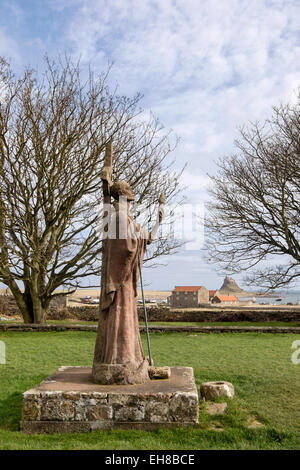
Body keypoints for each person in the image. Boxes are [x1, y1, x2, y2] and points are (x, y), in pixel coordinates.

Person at [92, 177, 164, 385]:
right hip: (121, 281)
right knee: (121, 316)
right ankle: (120, 359)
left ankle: (126, 357)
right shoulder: (119, 218)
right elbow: (127, 247)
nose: (132, 191)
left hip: (124, 280)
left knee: (126, 317)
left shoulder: (123, 217)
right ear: (123, 195)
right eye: (128, 189)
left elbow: (145, 237)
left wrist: (159, 221)